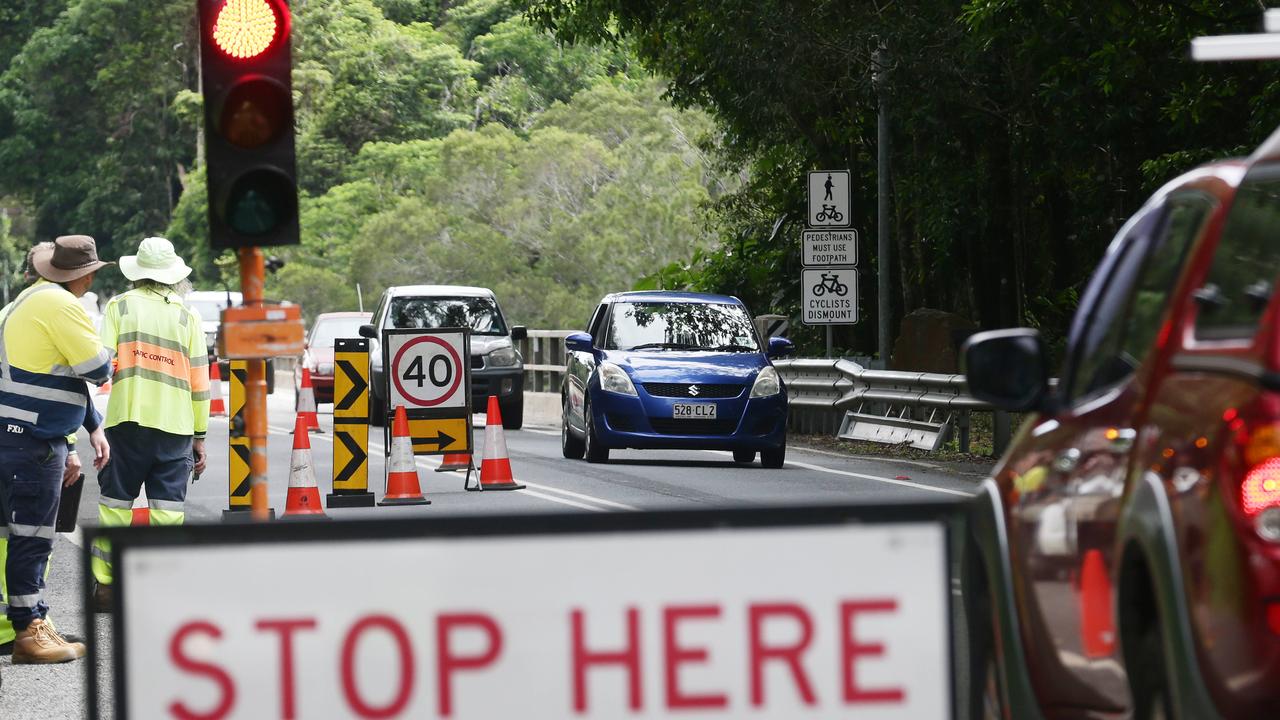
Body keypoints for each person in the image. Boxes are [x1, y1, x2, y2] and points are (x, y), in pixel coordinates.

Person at [0, 235, 112, 663]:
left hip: (16, 434)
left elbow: (53, 377)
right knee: (33, 538)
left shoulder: (22, 303)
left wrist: (84, 430)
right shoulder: (62, 306)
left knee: (17, 535)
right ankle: (29, 632)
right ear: (84, 276)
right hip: (32, 441)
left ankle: (32, 620)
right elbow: (97, 368)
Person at [91, 237, 208, 611]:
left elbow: (100, 365)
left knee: (115, 503)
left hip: (126, 421)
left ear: (137, 273)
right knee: (167, 509)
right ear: (174, 276)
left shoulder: (119, 307)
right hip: (175, 426)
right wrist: (200, 436)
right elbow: (200, 382)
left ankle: (107, 588)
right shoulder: (187, 316)